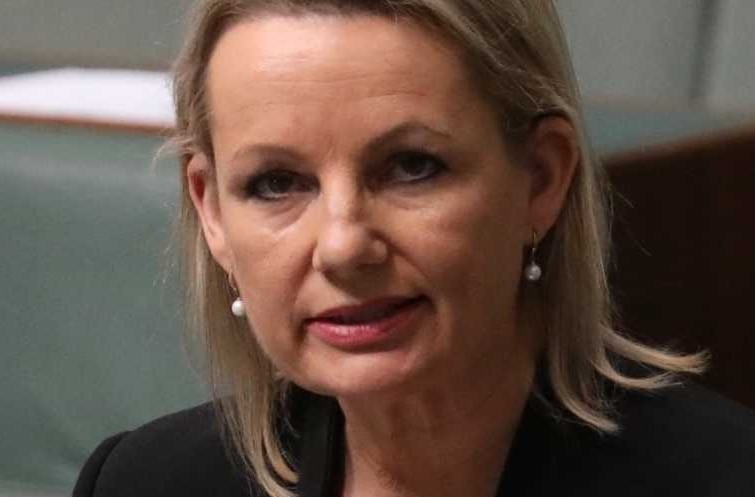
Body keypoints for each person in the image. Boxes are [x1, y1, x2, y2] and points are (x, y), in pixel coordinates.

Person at [73, 1, 755, 496]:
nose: (342, 245)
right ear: (212, 211)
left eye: (410, 167)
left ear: (541, 180)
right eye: (276, 183)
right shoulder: (144, 481)